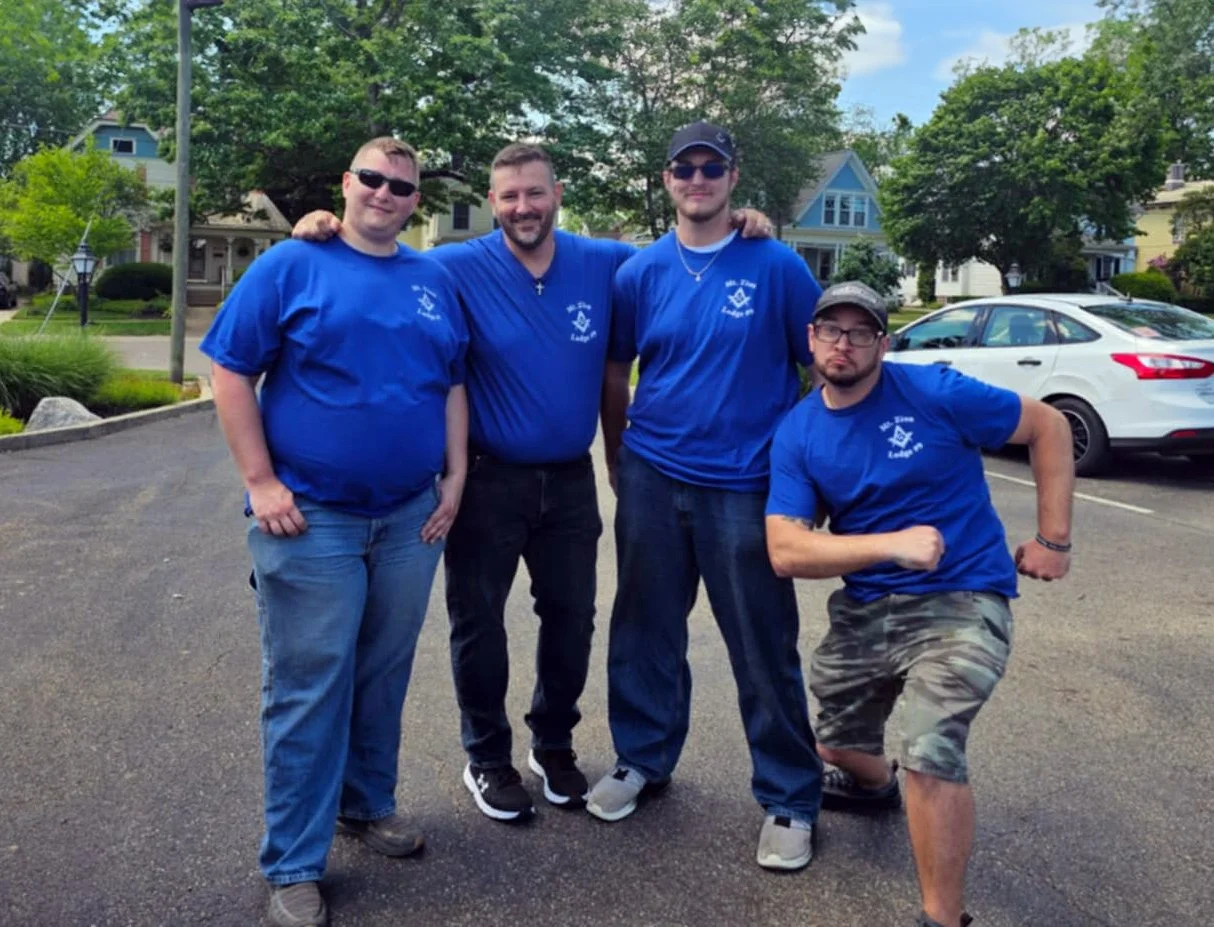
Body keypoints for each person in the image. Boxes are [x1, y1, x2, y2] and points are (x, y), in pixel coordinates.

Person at [291, 144, 774, 823]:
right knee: (479, 622)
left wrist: (746, 223)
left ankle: (554, 743)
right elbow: (378, 258)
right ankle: (487, 755)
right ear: (492, 201)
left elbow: (687, 249)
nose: (523, 207)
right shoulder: (451, 267)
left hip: (570, 483)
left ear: (557, 193)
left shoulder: (607, 263)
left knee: (574, 618)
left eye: (535, 193)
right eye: (509, 195)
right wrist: (324, 228)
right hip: (488, 479)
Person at [202, 137, 469, 927]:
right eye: (374, 180)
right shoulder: (292, 264)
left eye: (402, 187)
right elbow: (228, 369)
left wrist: (455, 475)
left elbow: (449, 379)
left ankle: (365, 803)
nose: (386, 194)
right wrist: (259, 480)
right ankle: (292, 859)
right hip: (310, 515)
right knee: (309, 686)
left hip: (409, 517)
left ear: (417, 201)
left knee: (382, 671)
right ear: (346, 185)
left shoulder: (433, 279)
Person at [764, 281, 1075, 927]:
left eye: (859, 331)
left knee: (931, 745)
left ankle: (943, 918)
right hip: (870, 607)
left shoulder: (934, 391)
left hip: (962, 598)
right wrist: (891, 545)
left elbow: (1047, 424)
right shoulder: (797, 431)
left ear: (883, 340)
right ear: (810, 339)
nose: (842, 343)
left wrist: (1053, 539)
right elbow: (787, 550)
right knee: (834, 742)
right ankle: (874, 786)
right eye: (830, 330)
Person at [593, 121, 824, 872]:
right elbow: (617, 370)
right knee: (645, 627)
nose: (698, 180)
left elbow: (820, 370)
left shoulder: (777, 265)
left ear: (732, 175)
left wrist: (807, 473)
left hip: (746, 483)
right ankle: (641, 758)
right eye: (684, 168)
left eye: (711, 167)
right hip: (653, 476)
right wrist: (619, 456)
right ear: (666, 179)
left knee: (761, 642)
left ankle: (790, 794)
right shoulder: (639, 273)